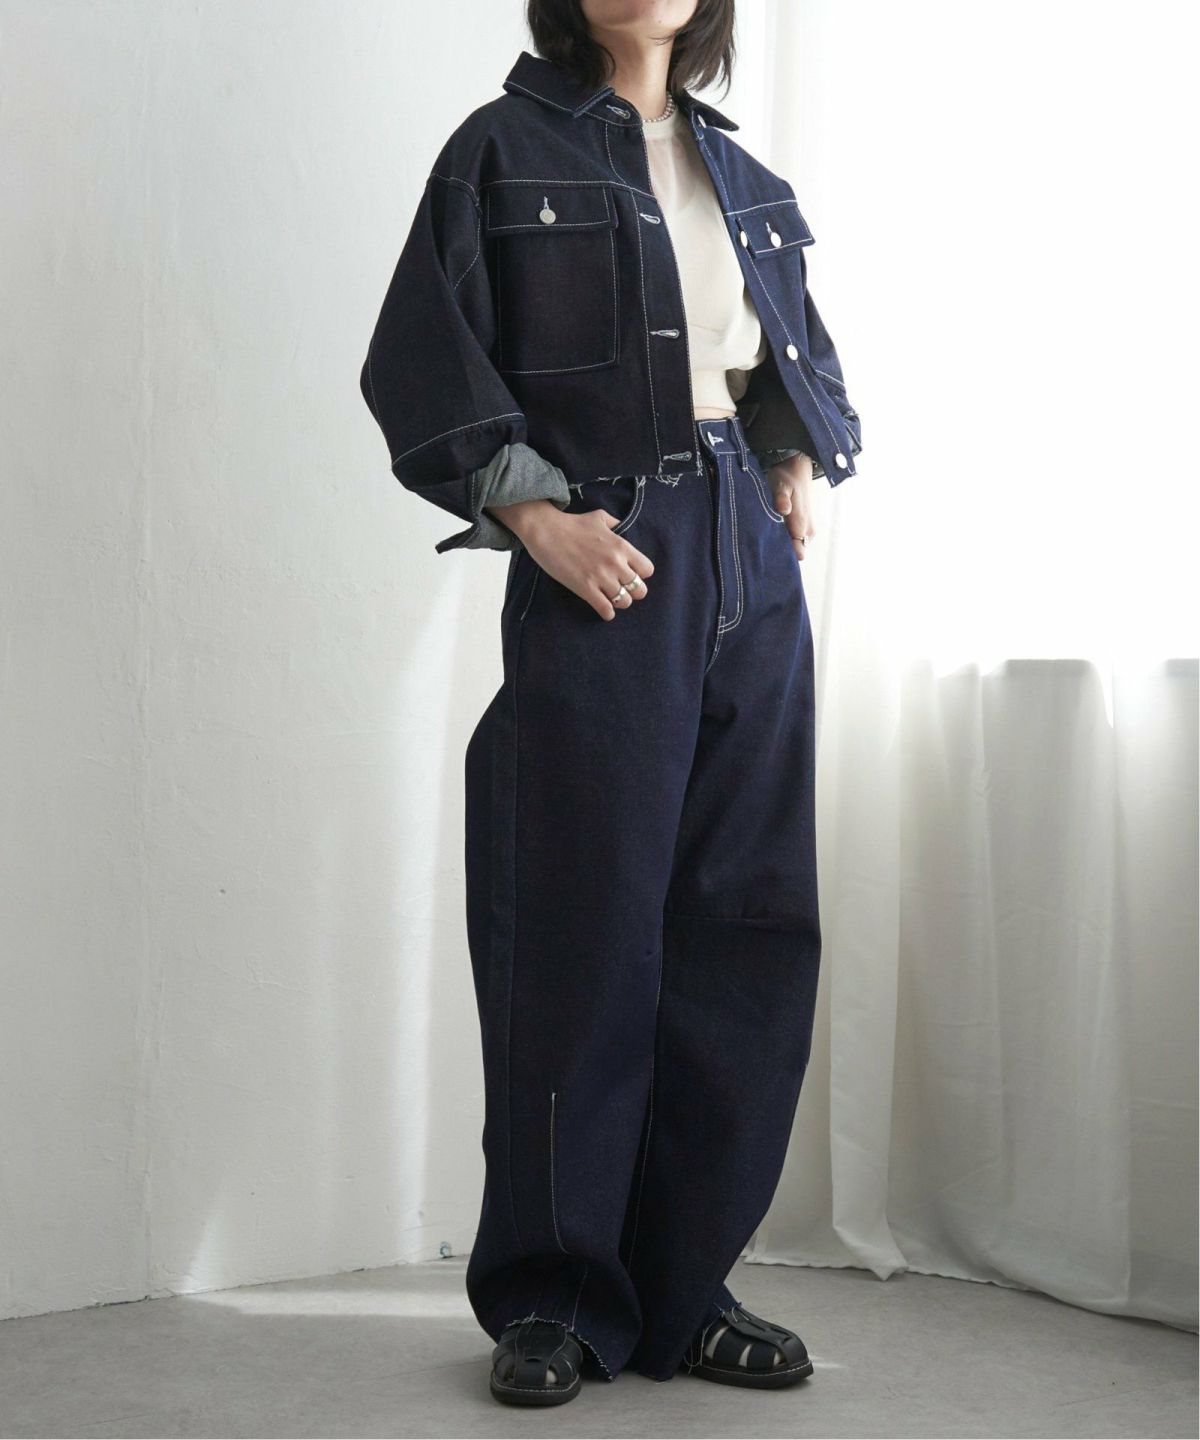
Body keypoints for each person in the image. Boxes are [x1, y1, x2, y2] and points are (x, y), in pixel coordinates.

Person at [359, 0, 861, 1407]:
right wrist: (537, 518)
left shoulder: (745, 176)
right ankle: (556, 1295)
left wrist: (789, 466)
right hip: (607, 557)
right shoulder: (500, 152)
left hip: (749, 562)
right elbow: (421, 356)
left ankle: (685, 1289)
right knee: (574, 930)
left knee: (743, 928)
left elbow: (779, 361)